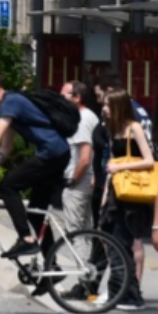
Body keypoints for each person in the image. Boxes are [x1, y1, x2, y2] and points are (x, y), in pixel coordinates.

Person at [0, 66, 71, 262]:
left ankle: (26, 240)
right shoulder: (10, 105)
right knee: (35, 214)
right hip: (56, 154)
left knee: (7, 186)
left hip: (52, 153)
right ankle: (52, 268)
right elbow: (5, 148)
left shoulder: (10, 102)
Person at [99, 90, 154, 311]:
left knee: (124, 242)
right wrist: (105, 194)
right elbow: (111, 164)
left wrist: (121, 166)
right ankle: (117, 290)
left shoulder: (134, 128)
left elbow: (149, 160)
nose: (104, 109)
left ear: (119, 106)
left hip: (131, 194)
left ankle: (130, 295)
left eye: (107, 106)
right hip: (115, 191)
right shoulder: (113, 130)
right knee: (109, 238)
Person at [59, 80, 99, 233]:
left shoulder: (81, 120)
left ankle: (80, 258)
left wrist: (72, 181)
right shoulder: (90, 116)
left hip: (79, 182)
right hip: (88, 180)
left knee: (75, 231)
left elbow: (84, 158)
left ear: (77, 98)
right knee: (86, 228)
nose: (60, 99)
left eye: (64, 96)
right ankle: (87, 257)